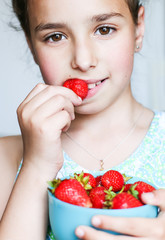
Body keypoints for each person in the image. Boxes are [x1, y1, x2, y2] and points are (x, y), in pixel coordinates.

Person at [0, 0, 165, 239]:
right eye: (55, 37)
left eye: (104, 30)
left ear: (138, 28)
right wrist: (36, 166)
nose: (83, 60)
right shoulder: (7, 158)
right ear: (31, 45)